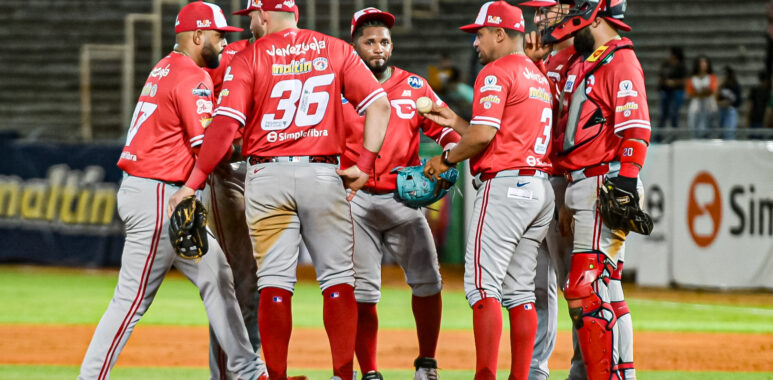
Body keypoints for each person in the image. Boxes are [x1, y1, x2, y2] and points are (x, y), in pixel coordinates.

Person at [166, 1, 392, 379]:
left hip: (267, 176)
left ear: (264, 15)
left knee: (273, 282)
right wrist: (366, 166)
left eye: (252, 16)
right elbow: (380, 106)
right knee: (337, 279)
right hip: (322, 173)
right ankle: (343, 375)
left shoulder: (250, 56)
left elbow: (223, 128)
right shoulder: (335, 48)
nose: (251, 24)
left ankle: (277, 375)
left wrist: (193, 182)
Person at [77, 3, 266, 380]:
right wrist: (256, 140)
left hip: (158, 191)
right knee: (131, 302)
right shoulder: (192, 76)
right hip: (159, 195)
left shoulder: (164, 66)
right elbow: (209, 146)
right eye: (217, 35)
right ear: (197, 36)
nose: (221, 42)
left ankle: (248, 370)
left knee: (218, 276)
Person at [423, 2, 555, 379]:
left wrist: (445, 159)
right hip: (538, 189)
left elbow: (483, 137)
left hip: (506, 187)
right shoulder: (535, 75)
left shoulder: (496, 72)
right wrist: (455, 121)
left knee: (482, 286)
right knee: (519, 292)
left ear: (500, 33)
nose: (475, 42)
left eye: (480, 33)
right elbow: (496, 133)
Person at [342, 7, 462, 380]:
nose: (379, 48)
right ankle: (371, 371)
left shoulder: (414, 88)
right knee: (363, 291)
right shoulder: (337, 87)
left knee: (428, 280)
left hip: (402, 197)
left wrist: (445, 161)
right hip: (355, 201)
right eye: (370, 41)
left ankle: (426, 364)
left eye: (385, 41)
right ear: (354, 45)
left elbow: (450, 134)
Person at [542, 0, 650, 378]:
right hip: (582, 179)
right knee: (606, 288)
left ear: (593, 13)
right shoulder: (587, 59)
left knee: (585, 287)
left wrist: (625, 182)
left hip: (604, 177)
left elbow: (636, 128)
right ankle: (623, 374)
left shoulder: (619, 59)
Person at [521, 0, 586, 379]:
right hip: (535, 178)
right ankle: (534, 370)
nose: (540, 17)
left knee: (573, 284)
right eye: (537, 12)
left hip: (564, 178)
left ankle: (584, 367)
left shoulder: (578, 61)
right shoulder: (534, 62)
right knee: (534, 283)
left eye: (549, 10)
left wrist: (572, 191)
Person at [686, 55, 718, 139]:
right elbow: (690, 93)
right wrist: (702, 92)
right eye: (701, 62)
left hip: (709, 103)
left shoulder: (712, 77)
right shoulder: (692, 79)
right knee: (694, 121)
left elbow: (712, 90)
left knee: (711, 123)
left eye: (705, 62)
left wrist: (701, 92)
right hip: (697, 103)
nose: (703, 64)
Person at [657, 47, 688, 133]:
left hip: (676, 91)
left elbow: (685, 80)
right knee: (663, 114)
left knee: (674, 114)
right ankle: (659, 136)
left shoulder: (681, 66)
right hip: (665, 91)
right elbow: (660, 75)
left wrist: (673, 82)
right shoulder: (666, 64)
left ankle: (674, 135)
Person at [717, 65, 742, 140]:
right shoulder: (721, 86)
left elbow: (738, 100)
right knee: (721, 132)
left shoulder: (735, 85)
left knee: (729, 132)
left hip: (730, 110)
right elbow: (716, 98)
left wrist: (729, 104)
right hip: (721, 110)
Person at [747, 71, 771, 138]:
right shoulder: (767, 92)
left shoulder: (754, 90)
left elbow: (750, 107)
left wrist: (748, 120)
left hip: (755, 120)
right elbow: (767, 109)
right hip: (760, 120)